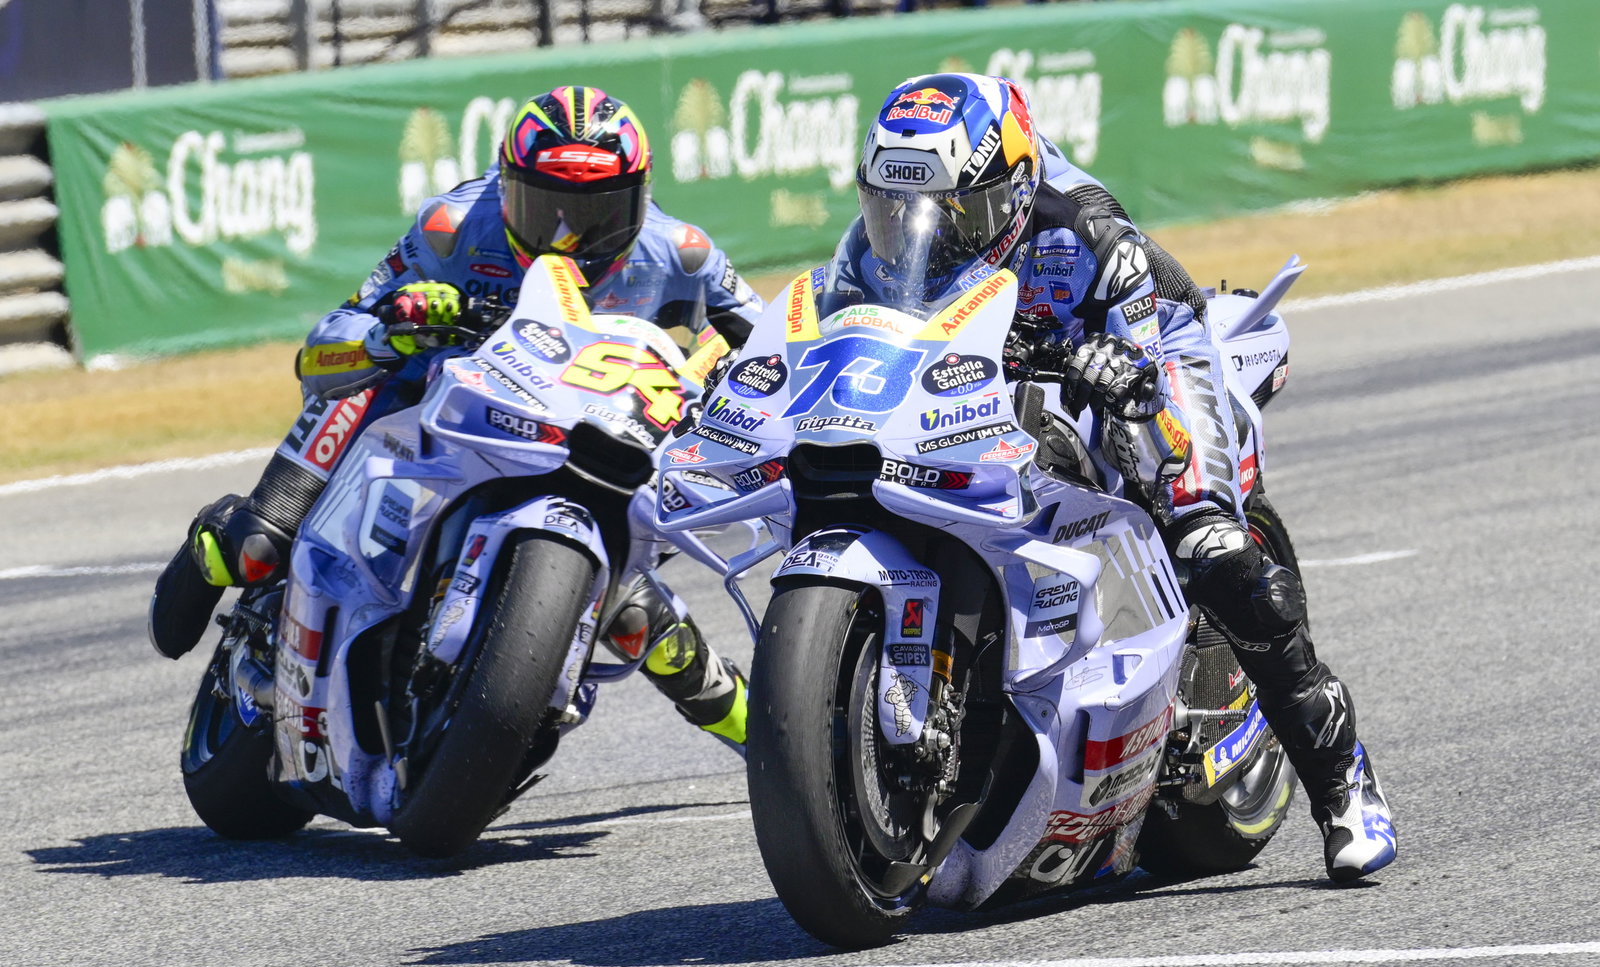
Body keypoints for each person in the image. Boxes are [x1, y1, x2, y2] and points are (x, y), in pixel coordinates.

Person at [832, 72, 1395, 882]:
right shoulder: (877, 246)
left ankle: (1342, 776)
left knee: (1201, 532)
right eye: (898, 208)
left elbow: (1139, 374)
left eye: (958, 213)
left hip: (1151, 356)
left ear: (1012, 191)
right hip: (993, 383)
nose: (929, 233)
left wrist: (1106, 362)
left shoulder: (1086, 232)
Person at [148, 85, 762, 749]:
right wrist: (392, 331)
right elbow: (324, 349)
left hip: (578, 437)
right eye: (547, 208)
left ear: (641, 197)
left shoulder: (684, 253)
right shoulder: (452, 227)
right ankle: (221, 540)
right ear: (507, 187)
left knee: (633, 615)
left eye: (600, 211)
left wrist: (731, 379)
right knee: (256, 550)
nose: (571, 235)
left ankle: (778, 747)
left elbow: (770, 345)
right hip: (426, 404)